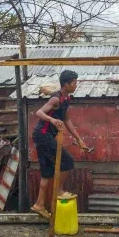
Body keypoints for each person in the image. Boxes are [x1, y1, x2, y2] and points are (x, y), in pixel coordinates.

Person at [30, 70, 89, 218]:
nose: (76, 85)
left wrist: (79, 139)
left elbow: (67, 119)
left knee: (47, 172)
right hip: (42, 134)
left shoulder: (66, 99)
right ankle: (59, 190)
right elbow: (39, 113)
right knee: (67, 161)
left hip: (45, 136)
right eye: (74, 82)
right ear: (66, 84)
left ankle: (39, 204)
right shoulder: (56, 98)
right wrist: (52, 120)